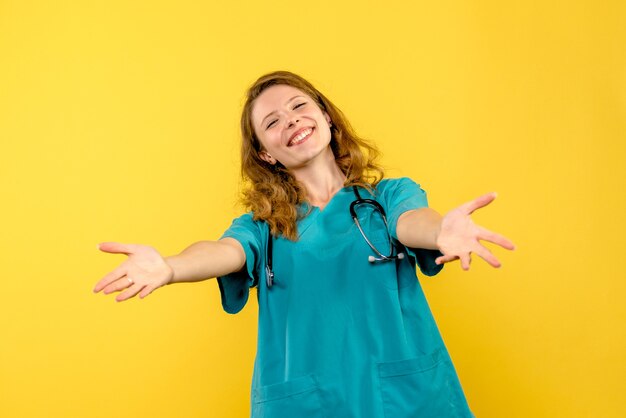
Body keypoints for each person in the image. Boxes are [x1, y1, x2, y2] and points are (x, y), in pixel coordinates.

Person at [94, 70, 515, 417]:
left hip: (403, 398)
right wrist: (170, 267)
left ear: (327, 118)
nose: (290, 120)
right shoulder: (263, 228)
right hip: (307, 404)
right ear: (265, 155)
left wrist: (441, 231)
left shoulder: (386, 199)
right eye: (272, 122)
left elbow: (412, 222)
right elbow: (223, 252)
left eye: (299, 107)